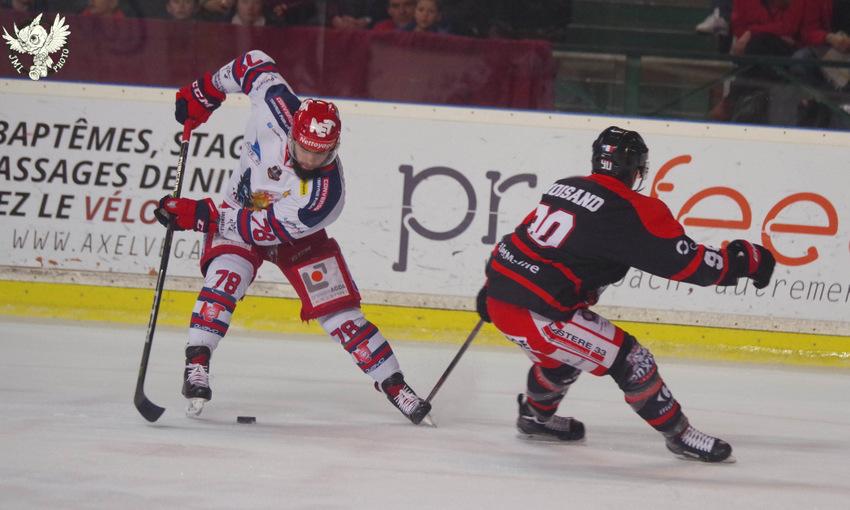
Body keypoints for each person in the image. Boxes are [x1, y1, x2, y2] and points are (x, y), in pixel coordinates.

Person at [153, 49, 432, 425]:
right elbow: (251, 63)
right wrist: (205, 91)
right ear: (292, 133)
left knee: (340, 314)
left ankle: (395, 385)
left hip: (290, 234)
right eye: (304, 150)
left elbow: (259, 228)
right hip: (242, 207)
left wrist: (200, 216)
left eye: (321, 154)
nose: (310, 161)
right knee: (224, 281)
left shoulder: (324, 197)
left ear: (334, 147)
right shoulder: (276, 104)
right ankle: (197, 363)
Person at [475, 126, 776, 462]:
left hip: (503, 297)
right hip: (540, 312)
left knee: (561, 362)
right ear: (636, 169)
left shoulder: (566, 186)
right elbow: (689, 264)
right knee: (632, 361)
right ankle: (680, 436)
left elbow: (521, 238)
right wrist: (744, 262)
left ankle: (534, 418)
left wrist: (490, 285)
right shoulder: (631, 209)